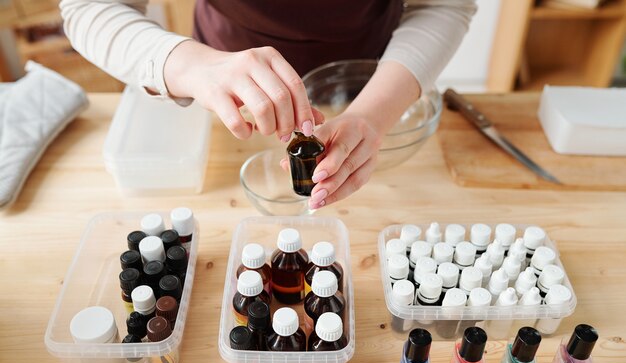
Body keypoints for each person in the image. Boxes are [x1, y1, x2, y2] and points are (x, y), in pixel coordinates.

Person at [60, 0, 476, 209]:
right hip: (226, 84)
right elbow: (87, 7)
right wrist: (191, 65)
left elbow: (441, 4)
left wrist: (372, 114)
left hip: (368, 79)